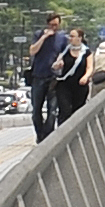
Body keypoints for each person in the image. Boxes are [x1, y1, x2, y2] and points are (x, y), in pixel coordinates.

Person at [22, 10, 80, 142]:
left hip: (54, 78)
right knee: (36, 111)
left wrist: (61, 62)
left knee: (52, 110)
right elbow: (32, 51)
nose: (54, 28)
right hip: (38, 76)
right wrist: (44, 37)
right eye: (52, 25)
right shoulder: (38, 35)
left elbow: (65, 55)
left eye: (56, 25)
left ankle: (47, 138)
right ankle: (40, 135)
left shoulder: (62, 38)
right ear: (47, 24)